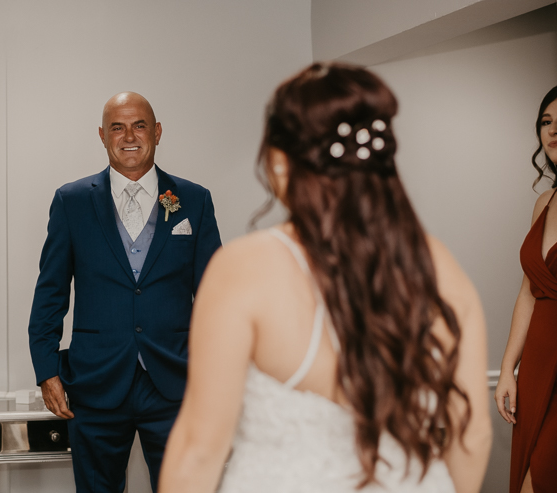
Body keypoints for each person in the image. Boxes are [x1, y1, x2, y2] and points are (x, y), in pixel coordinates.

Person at [159, 63, 491, 493]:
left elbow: (198, 451)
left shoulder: (245, 270)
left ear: (279, 163)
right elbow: (472, 436)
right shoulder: (435, 265)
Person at [28, 91, 222, 493]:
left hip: (175, 382)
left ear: (158, 132)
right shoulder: (72, 201)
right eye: (117, 127)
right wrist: (47, 370)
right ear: (102, 135)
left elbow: (216, 299)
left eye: (139, 125)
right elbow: (50, 292)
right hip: (95, 382)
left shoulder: (194, 200)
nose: (129, 135)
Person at [495, 85, 557, 493]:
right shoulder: (544, 201)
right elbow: (528, 293)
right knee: (526, 477)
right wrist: (508, 369)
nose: (554, 129)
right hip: (536, 366)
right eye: (546, 121)